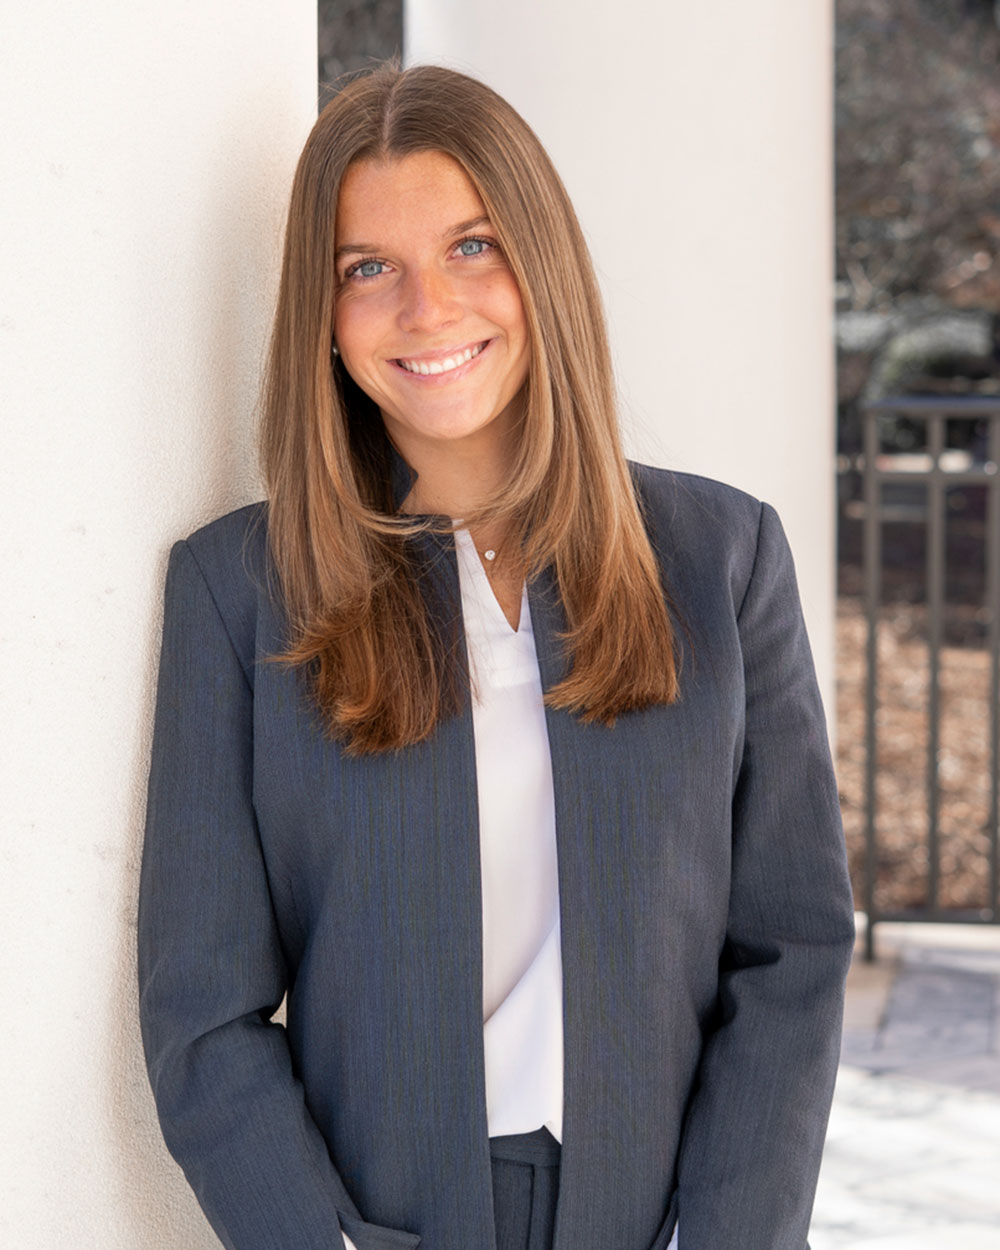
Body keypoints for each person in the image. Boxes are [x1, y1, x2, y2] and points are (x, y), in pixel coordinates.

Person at [138, 61, 855, 1250]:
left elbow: (792, 950)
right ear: (319, 314)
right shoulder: (239, 589)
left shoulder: (722, 557)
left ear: (543, 260)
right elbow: (201, 1014)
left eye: (472, 246)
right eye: (368, 268)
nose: (427, 307)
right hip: (374, 1221)